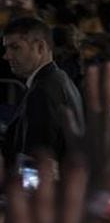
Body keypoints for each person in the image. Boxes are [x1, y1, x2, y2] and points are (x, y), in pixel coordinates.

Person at [1, 17, 85, 161]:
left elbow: (37, 160)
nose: (6, 56)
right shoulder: (58, 79)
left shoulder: (43, 91)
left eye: (15, 47)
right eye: (6, 48)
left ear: (40, 47)